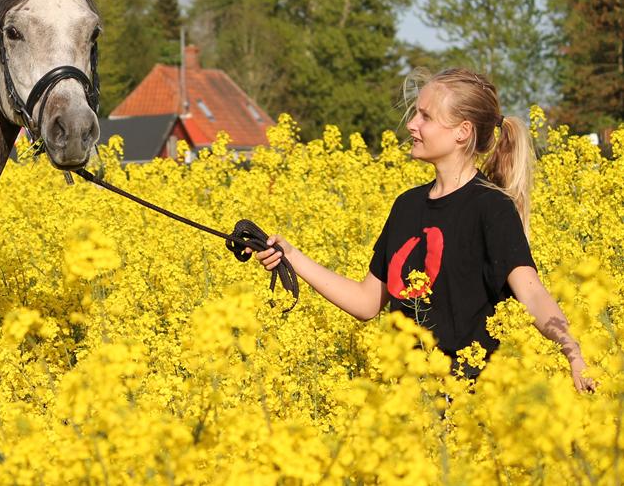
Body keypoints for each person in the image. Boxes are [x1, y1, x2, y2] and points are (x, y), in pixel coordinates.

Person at [253, 68, 594, 391]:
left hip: (471, 402)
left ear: (462, 131)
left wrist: (572, 350)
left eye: (426, 117)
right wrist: (292, 256)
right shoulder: (407, 207)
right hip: (411, 402)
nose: (412, 124)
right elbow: (366, 302)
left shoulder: (491, 207)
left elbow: (532, 293)